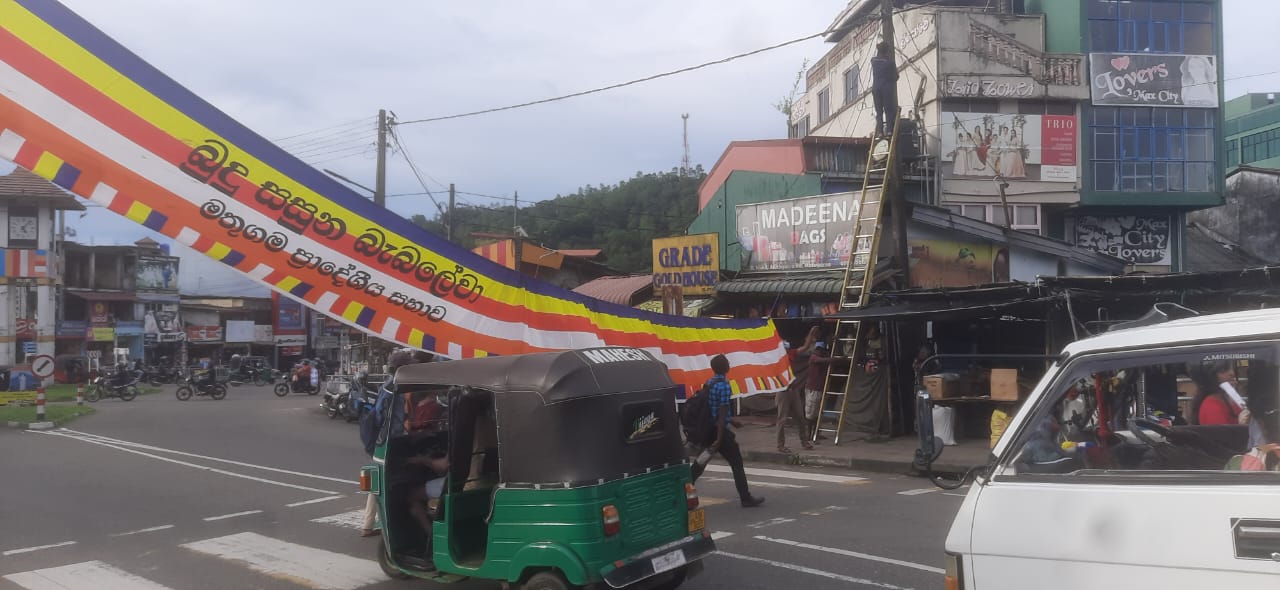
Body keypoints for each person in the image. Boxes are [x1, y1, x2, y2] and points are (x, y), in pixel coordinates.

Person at [690, 354, 765, 508]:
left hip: (708, 429)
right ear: (725, 367)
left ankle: (683, 488)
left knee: (701, 461)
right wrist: (719, 437)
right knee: (736, 463)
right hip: (719, 432)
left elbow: (713, 409)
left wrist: (732, 421)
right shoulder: (724, 385)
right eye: (728, 362)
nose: (729, 364)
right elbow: (722, 411)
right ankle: (745, 498)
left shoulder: (709, 383)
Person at [776, 338, 815, 453]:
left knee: (800, 417)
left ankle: (804, 441)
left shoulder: (790, 354)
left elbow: (805, 347)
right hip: (783, 391)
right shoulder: (776, 359)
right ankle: (780, 445)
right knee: (782, 419)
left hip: (793, 389)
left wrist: (811, 335)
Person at [870, 41, 897, 136]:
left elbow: (876, 59)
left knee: (879, 111)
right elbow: (896, 76)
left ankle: (880, 131)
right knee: (888, 110)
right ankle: (889, 130)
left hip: (876, 89)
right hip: (886, 89)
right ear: (887, 51)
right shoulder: (890, 62)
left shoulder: (873, 61)